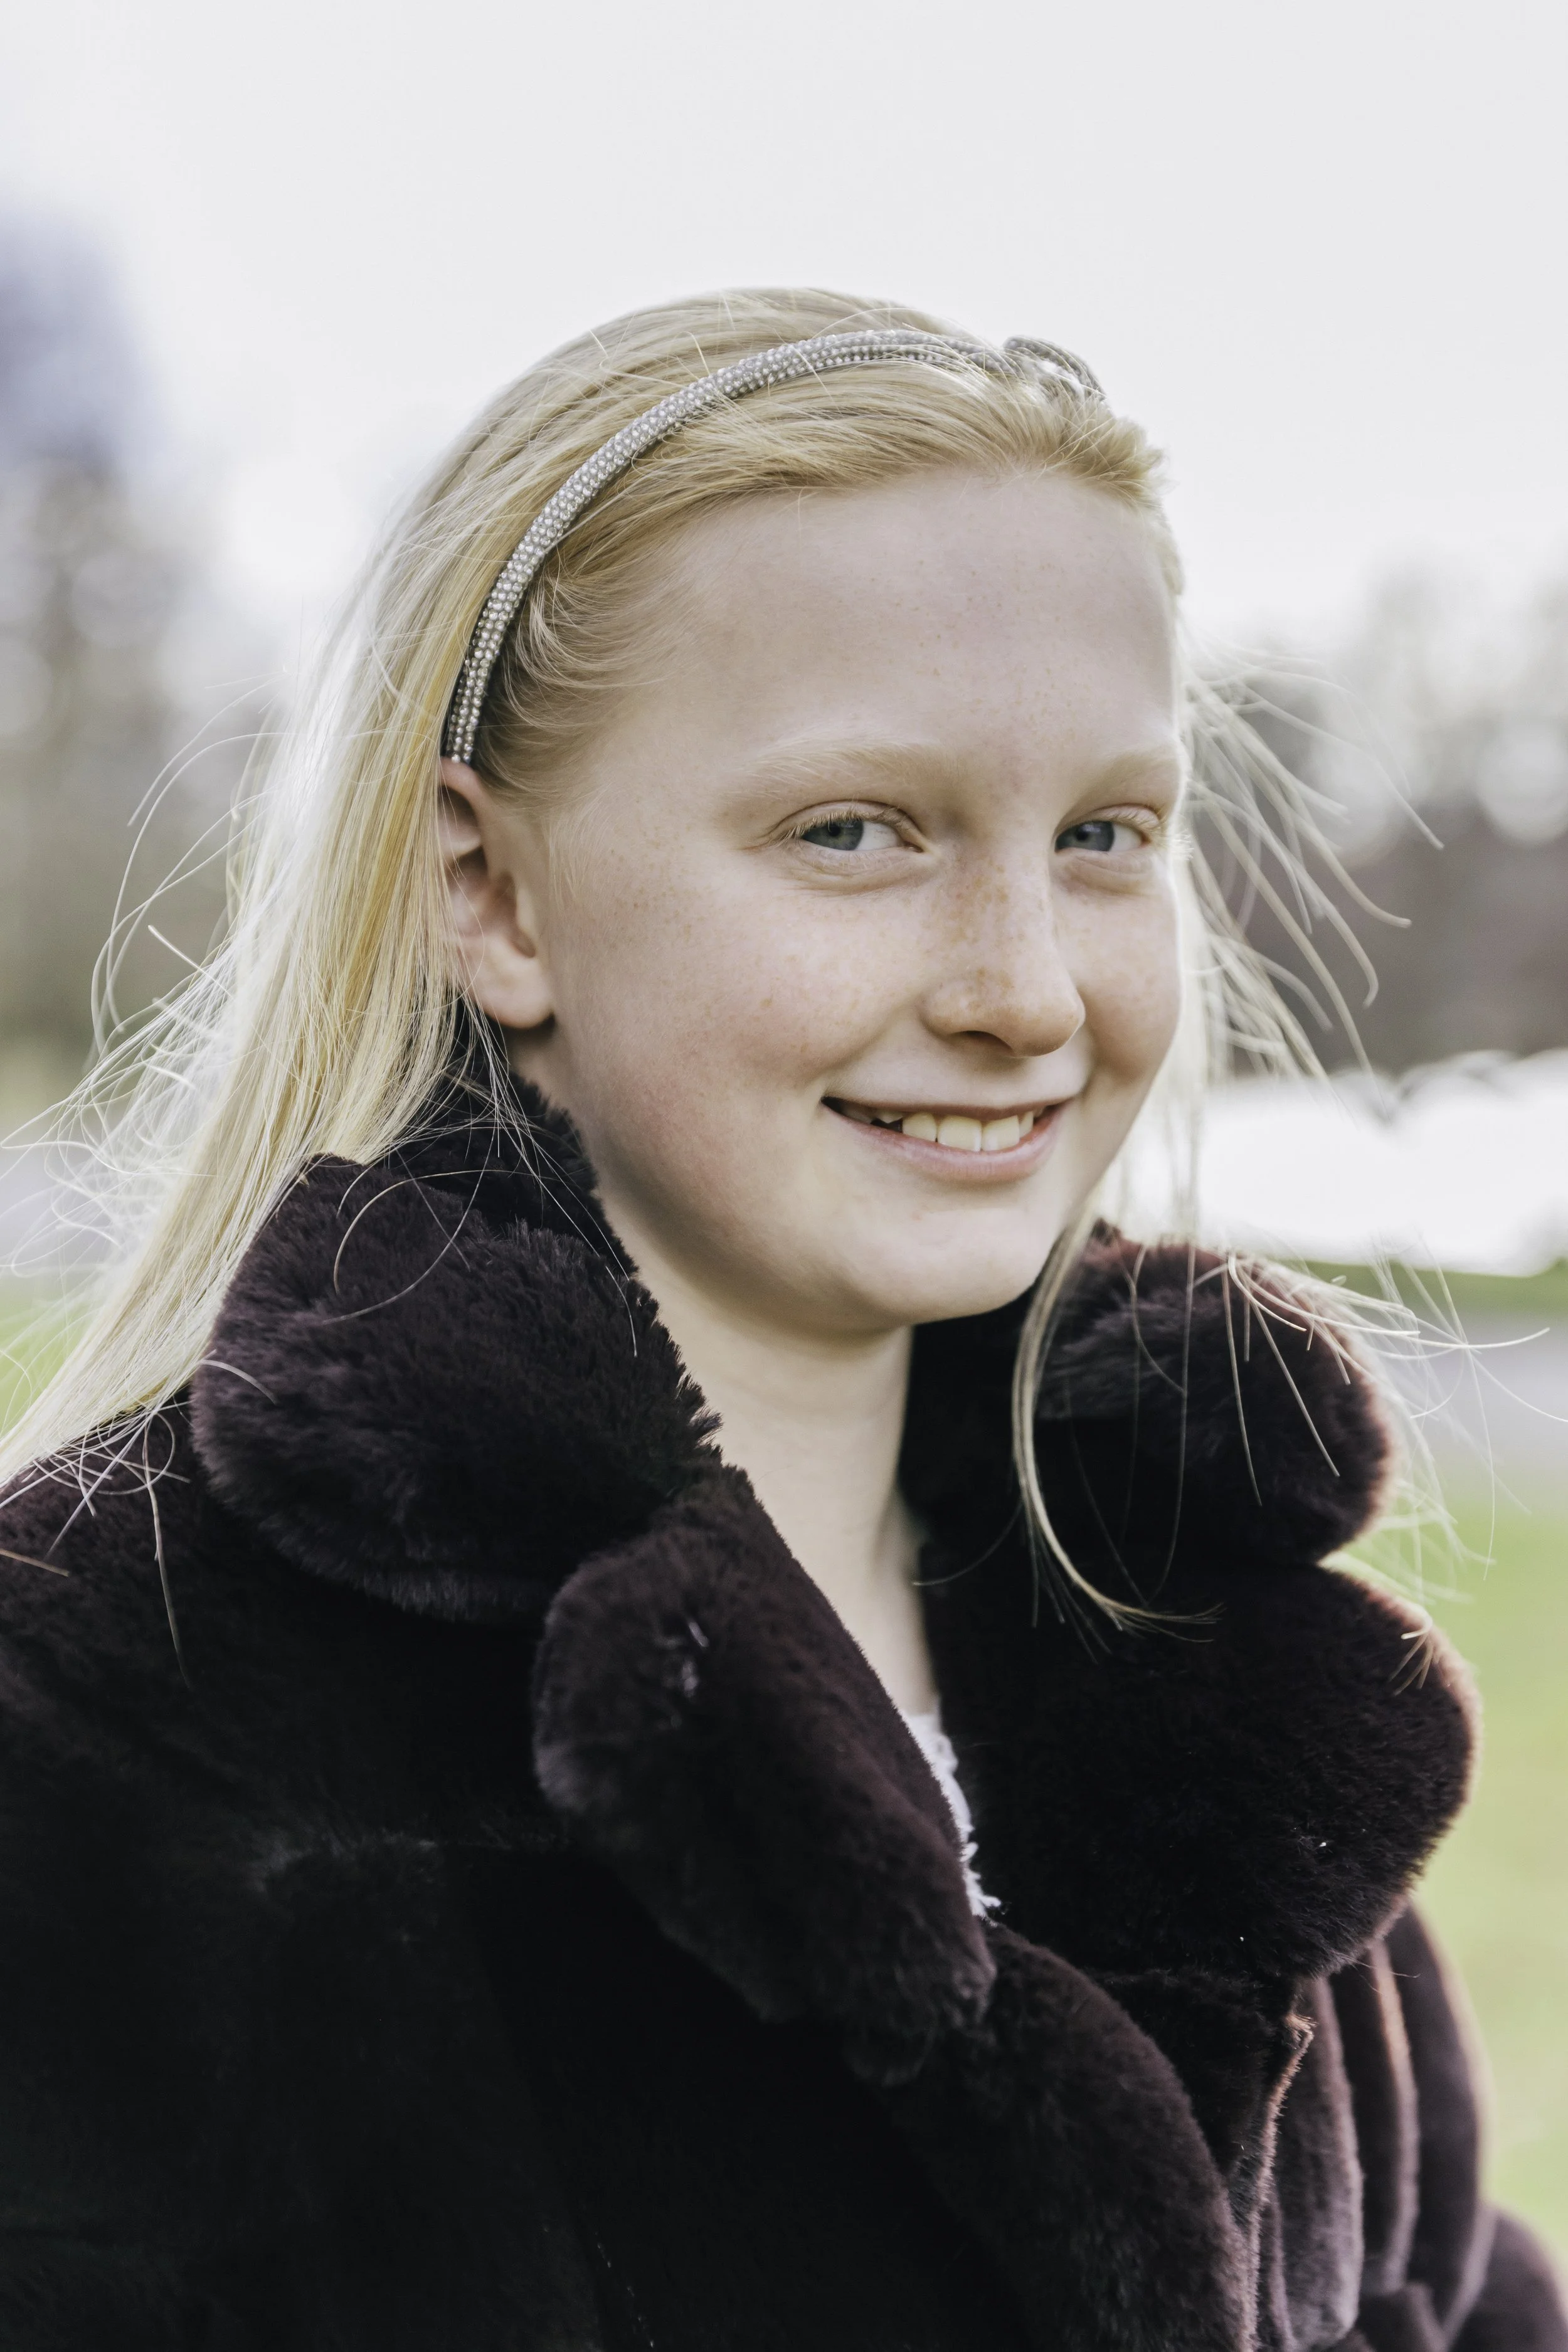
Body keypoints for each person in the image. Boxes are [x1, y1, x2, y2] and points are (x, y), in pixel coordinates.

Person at [0, 289, 1560, 2352]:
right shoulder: (101, 1719)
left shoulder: (1211, 1680)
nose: (1024, 985)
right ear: (493, 891)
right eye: (854, 831)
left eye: (1104, 833)